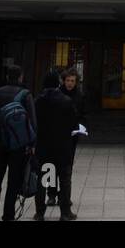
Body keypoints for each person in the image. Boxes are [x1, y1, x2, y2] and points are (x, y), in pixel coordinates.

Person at [0, 66, 36, 221]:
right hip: (18, 145)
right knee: (13, 181)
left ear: (7, 77)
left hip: (0, 143)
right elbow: (32, 122)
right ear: (21, 77)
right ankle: (8, 214)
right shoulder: (26, 95)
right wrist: (32, 144)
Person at [33, 71, 78, 221]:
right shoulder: (66, 101)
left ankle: (40, 213)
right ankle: (65, 212)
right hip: (62, 147)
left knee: (44, 179)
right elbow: (74, 124)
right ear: (58, 83)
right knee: (64, 179)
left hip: (44, 148)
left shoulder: (38, 101)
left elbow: (33, 124)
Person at [50, 68, 86, 208]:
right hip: (56, 135)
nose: (70, 83)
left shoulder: (80, 95)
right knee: (51, 165)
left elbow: (83, 114)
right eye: (68, 81)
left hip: (71, 136)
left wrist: (81, 127)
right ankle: (51, 194)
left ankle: (64, 196)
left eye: (72, 81)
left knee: (67, 167)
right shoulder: (56, 94)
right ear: (63, 81)